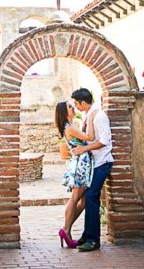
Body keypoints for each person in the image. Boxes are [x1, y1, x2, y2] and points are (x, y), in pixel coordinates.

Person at [71, 88, 114, 252]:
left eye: (76, 103)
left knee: (91, 197)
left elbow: (105, 140)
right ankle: (86, 235)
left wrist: (84, 149)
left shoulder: (99, 116)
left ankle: (93, 240)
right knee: (88, 198)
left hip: (103, 163)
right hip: (95, 163)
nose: (75, 107)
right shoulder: (90, 115)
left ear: (83, 102)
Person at [54, 100, 98, 248]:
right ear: (65, 112)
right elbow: (90, 137)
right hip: (81, 163)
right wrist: (91, 118)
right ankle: (66, 230)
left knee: (84, 201)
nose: (73, 108)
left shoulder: (71, 126)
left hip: (83, 161)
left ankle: (66, 229)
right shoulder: (70, 127)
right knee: (75, 198)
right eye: (70, 107)